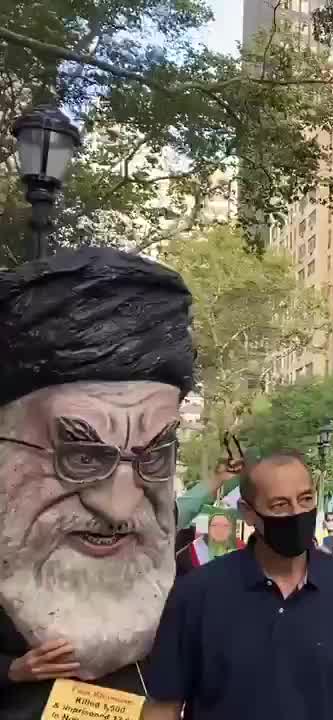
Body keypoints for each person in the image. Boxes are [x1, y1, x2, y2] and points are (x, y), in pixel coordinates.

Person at [0, 248, 197, 718]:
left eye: (154, 456)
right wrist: (11, 671)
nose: (119, 505)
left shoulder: (193, 593)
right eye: (83, 455)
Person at [143, 453, 333, 720]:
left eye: (305, 499)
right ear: (248, 513)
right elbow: (163, 707)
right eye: (280, 505)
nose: (297, 512)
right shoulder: (196, 594)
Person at [176, 507, 243, 577]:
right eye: (215, 525)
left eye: (226, 526)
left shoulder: (241, 551)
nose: (220, 530)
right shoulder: (185, 557)